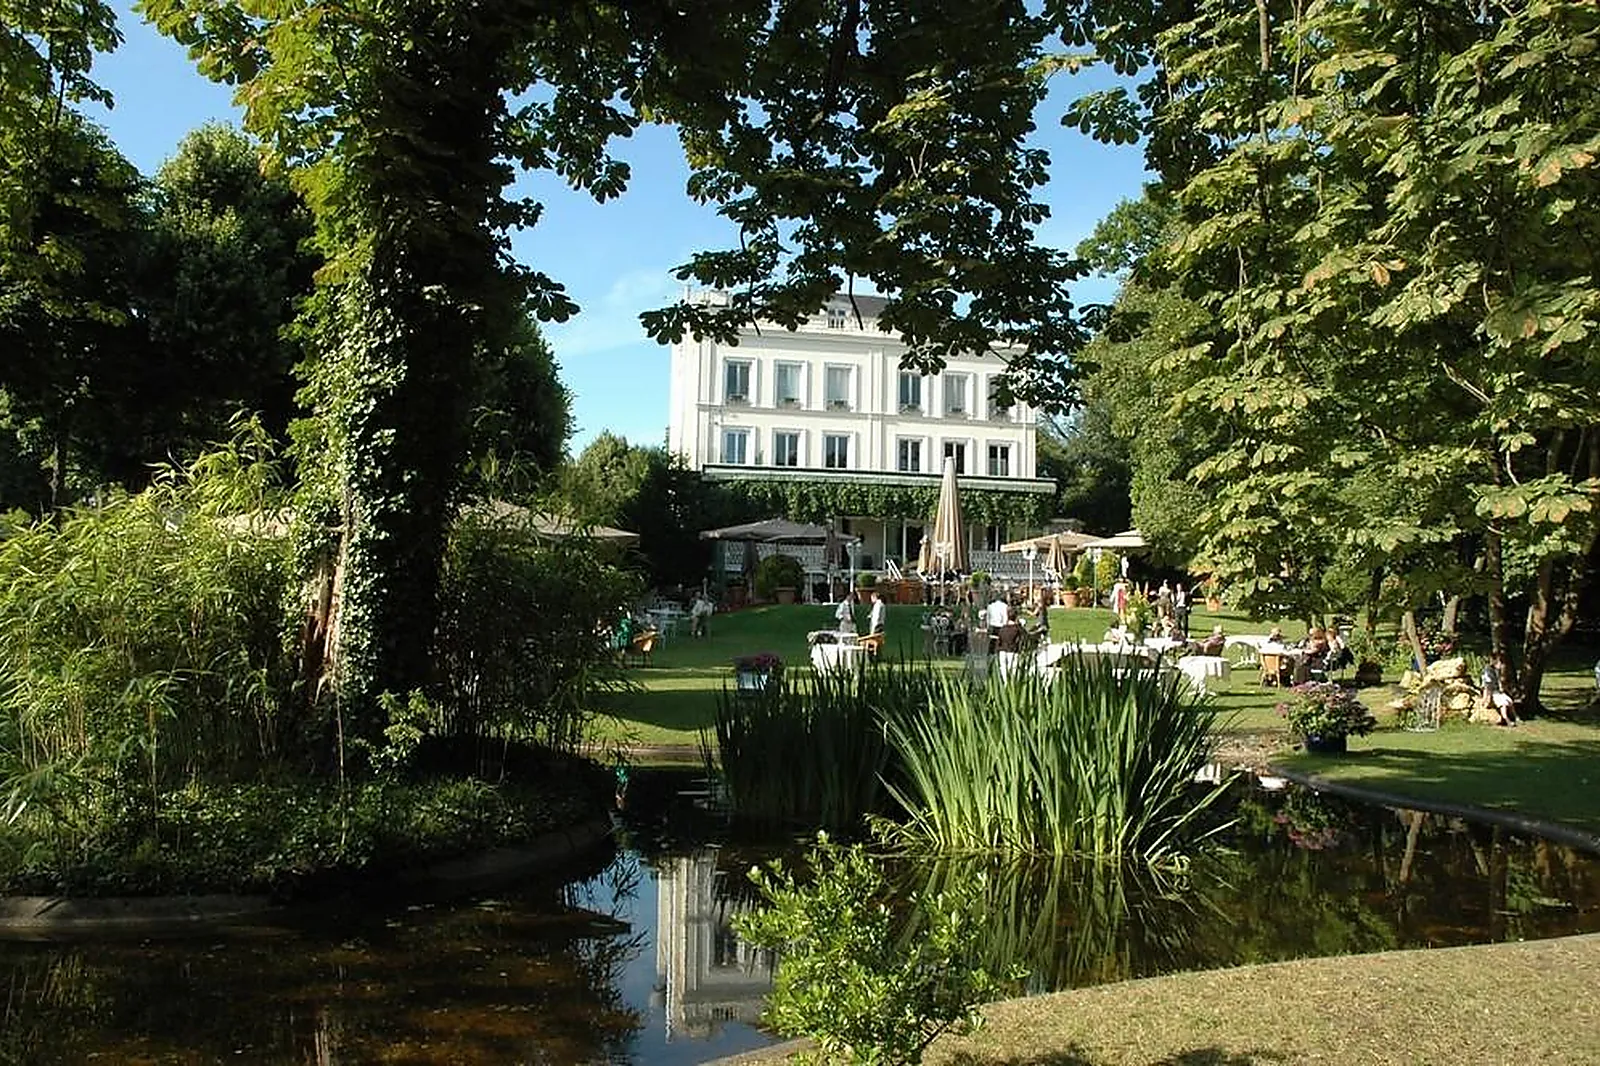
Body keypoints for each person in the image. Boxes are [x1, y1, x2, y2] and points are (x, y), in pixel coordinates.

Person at [1481, 652, 1520, 726]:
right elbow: (1487, 686)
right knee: (1504, 704)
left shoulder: (1495, 671)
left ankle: (1515, 717)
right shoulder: (1488, 672)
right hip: (1493, 693)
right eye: (1499, 661)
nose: (1500, 664)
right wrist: (1485, 698)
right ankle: (1507, 720)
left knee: (1510, 701)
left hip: (1498, 692)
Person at [995, 604, 1026, 677]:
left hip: (1002, 651)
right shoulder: (1017, 628)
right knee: (1014, 671)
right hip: (1012, 651)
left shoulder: (1002, 628)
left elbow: (999, 641)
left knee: (1003, 671)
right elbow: (1025, 638)